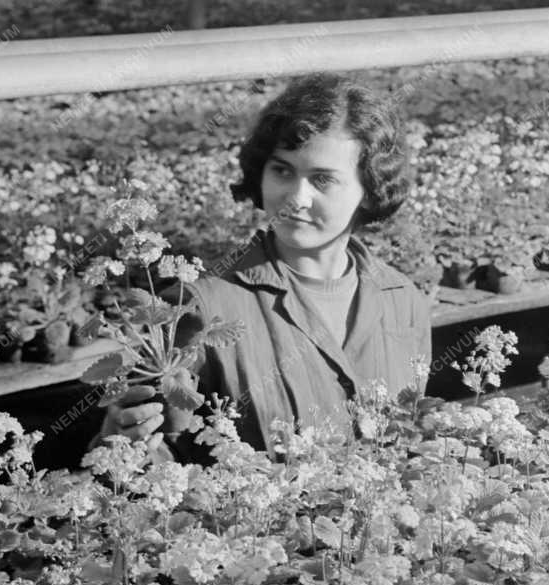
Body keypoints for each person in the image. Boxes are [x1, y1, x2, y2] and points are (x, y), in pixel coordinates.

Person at [96, 72, 432, 457]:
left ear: (371, 191)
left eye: (323, 180)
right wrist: (124, 436)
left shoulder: (402, 300)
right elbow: (152, 455)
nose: (296, 197)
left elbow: (411, 442)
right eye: (282, 171)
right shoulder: (201, 307)